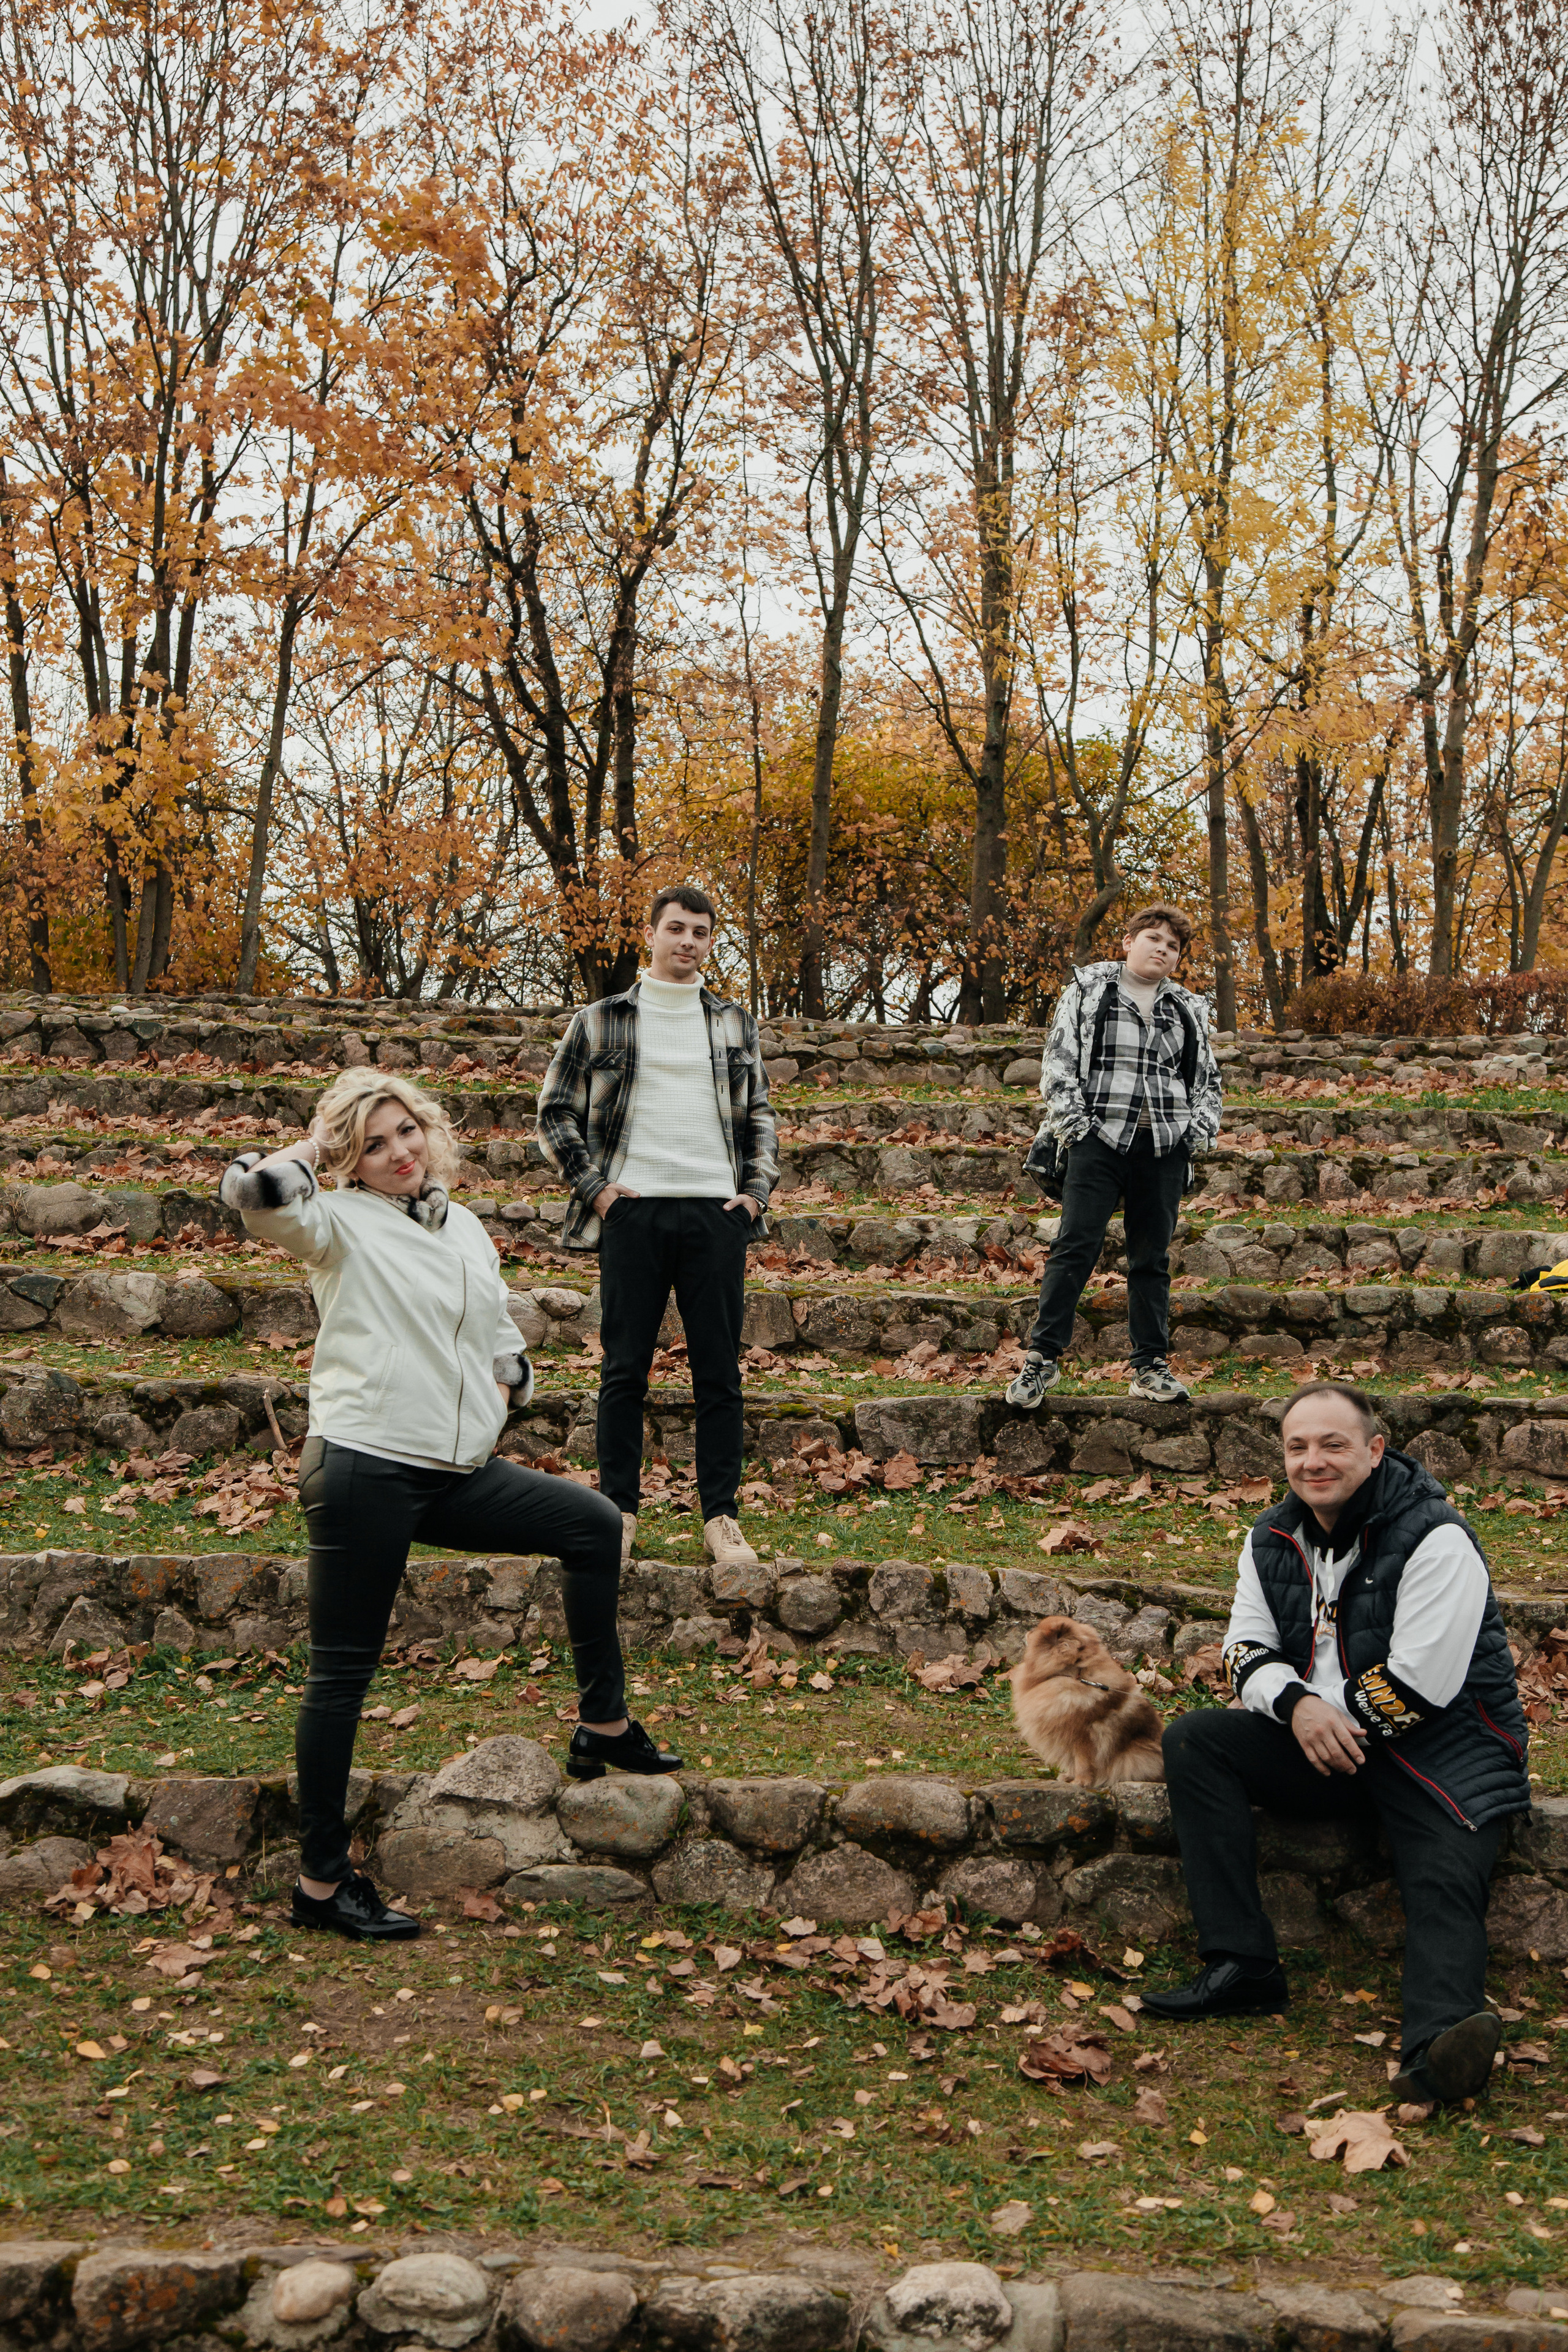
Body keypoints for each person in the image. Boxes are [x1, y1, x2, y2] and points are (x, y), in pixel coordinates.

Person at [221, 1068, 680, 1945]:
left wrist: (507, 1386)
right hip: (365, 1466)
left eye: (407, 1131)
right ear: (349, 1160)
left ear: (429, 1130)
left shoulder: (462, 1224)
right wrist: (323, 1141)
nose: (399, 1152)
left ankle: (604, 1724)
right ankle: (321, 1883)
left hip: (451, 1468)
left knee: (589, 1526)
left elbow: (501, 1335)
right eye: (374, 1143)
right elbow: (256, 1192)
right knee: (343, 1671)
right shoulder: (335, 1224)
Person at [1144, 1382, 1529, 2108]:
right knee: (1197, 1741)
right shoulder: (1269, 1538)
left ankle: (1438, 2046)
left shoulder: (1435, 1537)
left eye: (1332, 1444)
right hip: (1321, 1740)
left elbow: (1422, 1684)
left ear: (1374, 1450)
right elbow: (1243, 1650)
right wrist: (1296, 1708)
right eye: (1297, 1447)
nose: (1312, 1461)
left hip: (1441, 1749)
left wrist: (1323, 1716)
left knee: (1443, 1874)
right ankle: (1242, 1967)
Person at [537, 883, 778, 1574]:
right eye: (676, 928)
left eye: (701, 932)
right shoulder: (601, 1020)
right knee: (624, 1369)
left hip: (715, 1212)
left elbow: (759, 1114)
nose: (688, 942)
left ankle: (721, 1519)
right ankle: (617, 1512)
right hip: (632, 1210)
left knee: (719, 1373)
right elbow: (554, 1111)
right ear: (650, 934)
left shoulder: (734, 1021)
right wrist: (598, 1190)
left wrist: (755, 1195)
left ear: (709, 942)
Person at [1006, 903, 1222, 1409]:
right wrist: (1079, 1130)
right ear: (1128, 942)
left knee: (1152, 1259)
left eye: (1172, 946)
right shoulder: (1088, 992)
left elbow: (1208, 1081)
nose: (1162, 949)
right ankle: (1041, 1362)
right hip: (1097, 1140)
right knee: (1075, 1246)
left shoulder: (1188, 1009)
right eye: (1153, 938)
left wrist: (1197, 1133)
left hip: (1164, 1146)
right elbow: (1057, 1064)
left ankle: (1150, 1367)